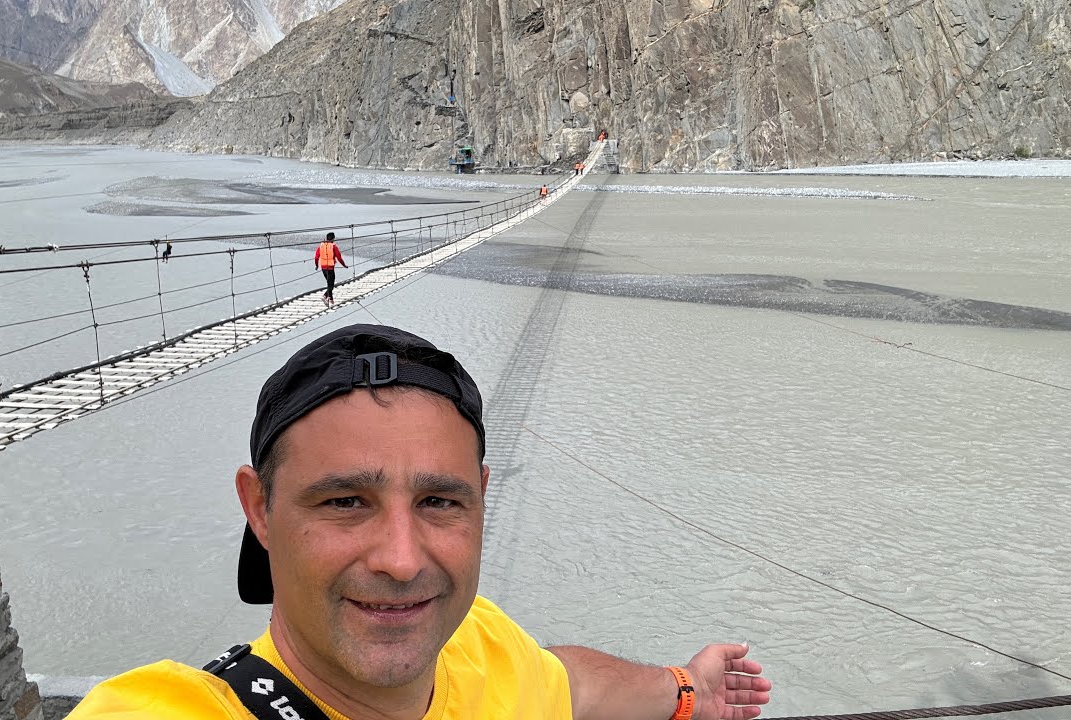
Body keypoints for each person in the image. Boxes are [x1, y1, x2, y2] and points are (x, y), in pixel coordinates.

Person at [66, 324, 771, 720]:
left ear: (482, 500)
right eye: (344, 502)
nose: (402, 561)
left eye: (439, 502)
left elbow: (568, 685)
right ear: (260, 509)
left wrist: (688, 688)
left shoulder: (480, 641)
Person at [314, 232, 348, 306]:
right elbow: (339, 257)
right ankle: (325, 296)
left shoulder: (321, 246)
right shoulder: (333, 246)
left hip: (323, 268)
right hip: (330, 268)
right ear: (333, 239)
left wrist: (316, 265)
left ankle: (331, 299)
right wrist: (344, 265)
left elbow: (316, 257)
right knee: (331, 285)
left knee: (329, 284)